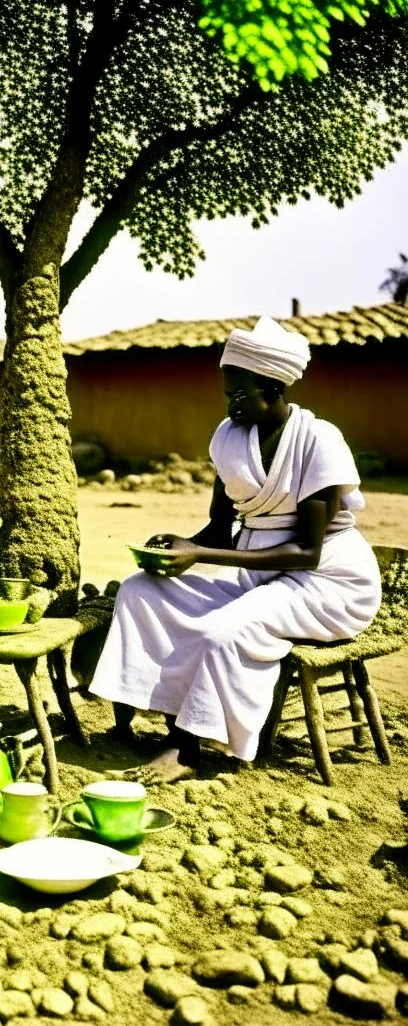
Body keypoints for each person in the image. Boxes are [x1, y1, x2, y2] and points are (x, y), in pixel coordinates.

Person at [90, 315, 381, 784]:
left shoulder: (319, 442)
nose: (231, 404)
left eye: (239, 393)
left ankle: (187, 750)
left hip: (326, 583)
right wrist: (176, 548)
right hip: (257, 575)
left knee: (219, 631)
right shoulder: (228, 437)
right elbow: (220, 529)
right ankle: (151, 716)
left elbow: (306, 552)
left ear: (273, 384)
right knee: (140, 591)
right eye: (227, 393)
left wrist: (200, 557)